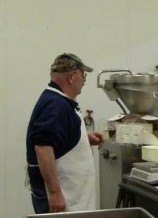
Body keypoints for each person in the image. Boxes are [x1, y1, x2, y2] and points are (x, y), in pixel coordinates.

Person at [26, 53, 104, 214]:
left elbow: (55, 140)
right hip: (65, 196)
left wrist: (83, 139)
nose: (84, 81)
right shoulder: (56, 105)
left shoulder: (60, 101)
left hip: (72, 195)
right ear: (72, 76)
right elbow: (43, 147)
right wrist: (55, 193)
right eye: (83, 76)